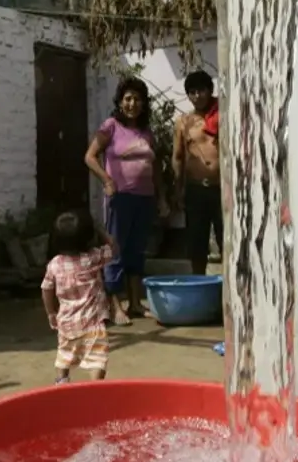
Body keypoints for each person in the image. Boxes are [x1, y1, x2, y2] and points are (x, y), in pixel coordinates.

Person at [84, 76, 167, 325]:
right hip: (119, 198)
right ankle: (115, 306)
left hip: (144, 198)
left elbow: (156, 168)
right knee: (115, 250)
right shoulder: (110, 126)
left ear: (143, 103)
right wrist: (107, 180)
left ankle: (135, 303)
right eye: (128, 99)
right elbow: (89, 157)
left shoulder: (146, 132)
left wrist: (162, 197)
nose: (132, 104)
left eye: (137, 99)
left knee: (136, 251)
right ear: (120, 102)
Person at [41, 208, 117, 384]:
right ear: (88, 237)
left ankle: (61, 382)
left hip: (66, 323)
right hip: (93, 323)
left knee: (64, 355)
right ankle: (95, 389)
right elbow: (114, 247)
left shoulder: (54, 264)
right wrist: (100, 230)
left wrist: (51, 313)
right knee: (96, 359)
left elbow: (46, 289)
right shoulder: (92, 258)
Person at [173, 69, 222, 275]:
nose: (197, 96)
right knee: (197, 243)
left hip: (222, 189)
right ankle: (199, 282)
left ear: (210, 90)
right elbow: (178, 157)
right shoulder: (183, 122)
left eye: (201, 91)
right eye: (192, 92)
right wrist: (178, 190)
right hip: (196, 189)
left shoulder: (223, 115)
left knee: (227, 239)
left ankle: (230, 287)